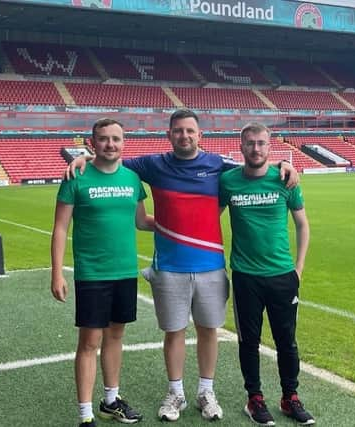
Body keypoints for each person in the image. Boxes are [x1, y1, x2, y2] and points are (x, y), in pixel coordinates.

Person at [66, 109, 298, 422]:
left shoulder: (218, 166)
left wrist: (284, 164)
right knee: (174, 332)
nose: (184, 136)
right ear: (169, 135)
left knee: (208, 331)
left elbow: (255, 166)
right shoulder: (153, 165)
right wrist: (82, 157)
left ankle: (206, 392)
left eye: (190, 131)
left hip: (211, 265)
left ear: (199, 136)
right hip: (170, 267)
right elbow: (109, 163)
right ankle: (175, 393)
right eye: (178, 131)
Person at [51, 118, 154, 427]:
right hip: (93, 273)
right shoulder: (77, 177)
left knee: (116, 335)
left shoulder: (134, 179)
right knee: (89, 342)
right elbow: (59, 228)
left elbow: (142, 221)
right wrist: (57, 273)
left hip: (125, 271)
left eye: (116, 139)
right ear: (92, 142)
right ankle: (85, 416)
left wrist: (177, 223)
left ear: (124, 142)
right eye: (104, 139)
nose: (111, 144)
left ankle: (111, 400)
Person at [219, 122, 315, 426]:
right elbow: (208, 220)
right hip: (246, 276)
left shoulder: (285, 180)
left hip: (282, 276)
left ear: (269, 147)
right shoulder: (228, 181)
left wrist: (298, 269)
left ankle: (290, 397)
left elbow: (303, 224)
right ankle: (254, 399)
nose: (256, 148)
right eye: (250, 143)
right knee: (249, 341)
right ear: (241, 145)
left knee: (287, 341)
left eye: (261, 143)